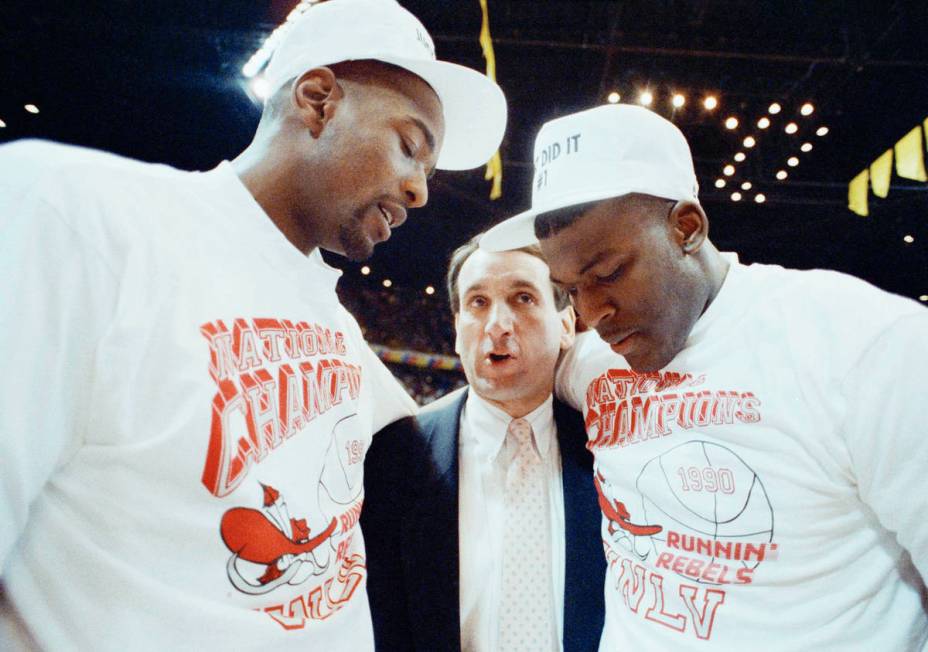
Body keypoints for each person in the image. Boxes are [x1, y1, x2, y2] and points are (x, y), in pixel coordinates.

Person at [0, 1, 506, 650]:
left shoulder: (337, 324)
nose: (420, 192)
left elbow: (441, 442)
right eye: (410, 148)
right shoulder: (76, 215)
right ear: (318, 100)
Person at [479, 104, 928, 649]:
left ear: (686, 228)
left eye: (609, 273)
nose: (593, 313)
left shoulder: (868, 346)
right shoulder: (593, 362)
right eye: (572, 288)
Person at [361, 236, 605, 652]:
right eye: (477, 303)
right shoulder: (395, 455)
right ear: (457, 330)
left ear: (566, 325)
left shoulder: (614, 452)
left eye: (523, 298)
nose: (497, 324)